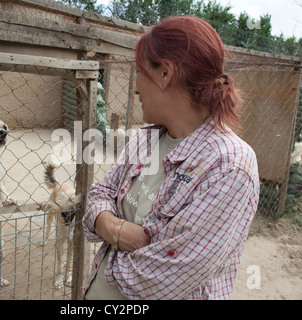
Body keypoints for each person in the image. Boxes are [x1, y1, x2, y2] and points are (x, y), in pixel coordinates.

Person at [81, 16, 260, 300]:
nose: (135, 88)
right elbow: (100, 193)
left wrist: (105, 234)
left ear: (165, 74)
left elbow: (159, 280)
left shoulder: (230, 166)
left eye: (139, 72)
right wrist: (115, 230)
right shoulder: (147, 137)